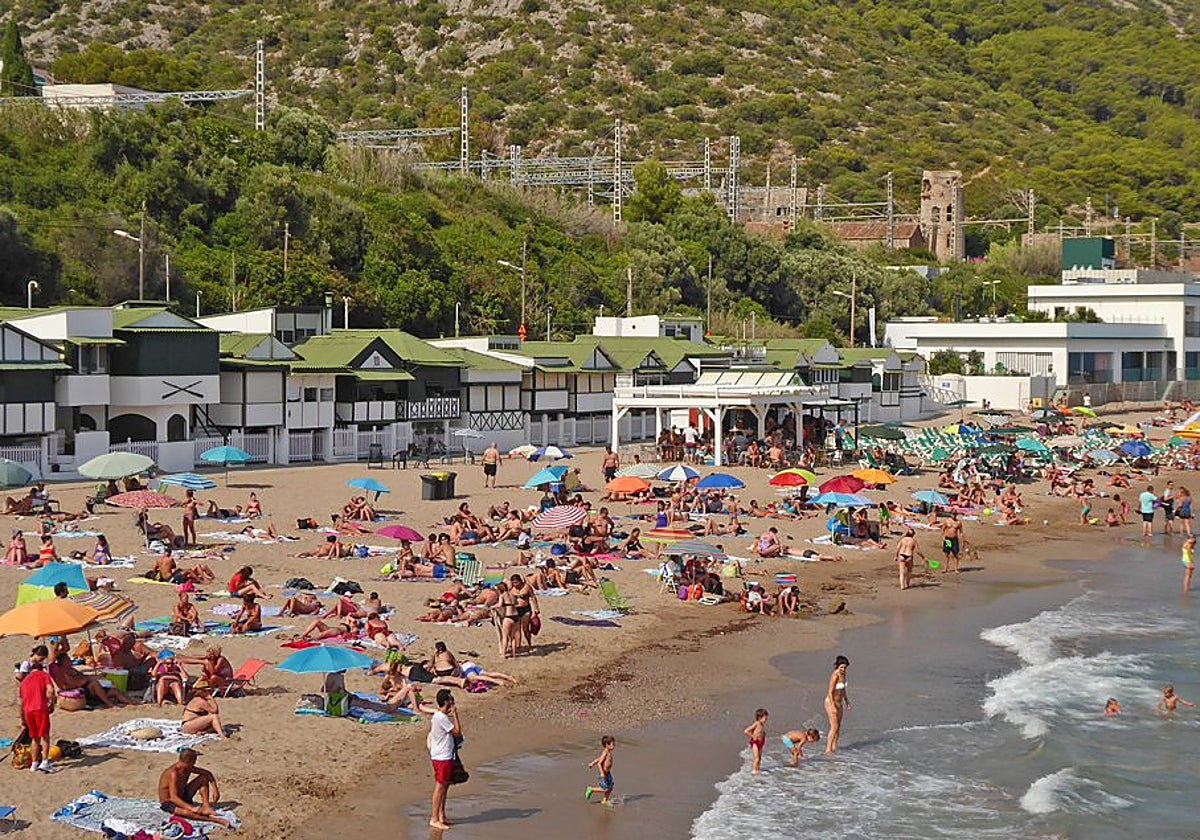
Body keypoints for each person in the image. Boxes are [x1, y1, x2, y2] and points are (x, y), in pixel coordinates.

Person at [158, 748, 230, 827]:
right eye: (194, 761)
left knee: (203, 778)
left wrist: (215, 789)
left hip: (183, 795)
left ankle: (206, 806)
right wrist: (192, 808)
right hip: (169, 802)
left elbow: (207, 773)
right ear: (188, 762)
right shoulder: (173, 773)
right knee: (186, 813)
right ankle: (215, 820)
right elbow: (173, 798)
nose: (194, 763)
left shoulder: (187, 767)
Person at [429, 688, 462, 831]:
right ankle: (434, 818)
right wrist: (455, 715)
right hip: (441, 757)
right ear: (446, 702)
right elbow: (457, 732)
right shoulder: (441, 718)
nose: (452, 702)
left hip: (445, 756)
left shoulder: (439, 716)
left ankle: (441, 815)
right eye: (450, 699)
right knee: (440, 786)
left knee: (445, 786)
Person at [19, 659, 56, 773]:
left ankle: (34, 764)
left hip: (28, 711)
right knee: (45, 736)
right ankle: (45, 762)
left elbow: (21, 702)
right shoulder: (44, 676)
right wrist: (51, 703)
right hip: (40, 708)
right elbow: (50, 690)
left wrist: (23, 718)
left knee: (34, 738)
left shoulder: (24, 681)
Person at [824, 655, 851, 754]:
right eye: (841, 667)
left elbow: (843, 689)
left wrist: (847, 701)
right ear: (837, 666)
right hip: (831, 702)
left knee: (838, 727)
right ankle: (828, 749)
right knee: (834, 726)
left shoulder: (844, 674)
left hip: (839, 703)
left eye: (845, 667)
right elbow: (830, 691)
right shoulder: (835, 675)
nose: (843, 669)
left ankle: (834, 747)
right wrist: (833, 706)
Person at [584, 735, 616, 804]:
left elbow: (599, 758)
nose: (614, 746)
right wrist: (602, 773)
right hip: (603, 773)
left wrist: (593, 763)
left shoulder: (609, 752)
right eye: (613, 744)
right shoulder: (605, 752)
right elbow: (599, 763)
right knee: (605, 788)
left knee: (610, 787)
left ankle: (604, 801)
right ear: (607, 745)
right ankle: (591, 789)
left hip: (607, 773)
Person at [743, 708, 768, 774]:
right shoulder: (756, 724)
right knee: (756, 758)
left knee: (759, 758)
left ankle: (758, 769)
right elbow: (746, 731)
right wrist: (753, 736)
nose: (766, 720)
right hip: (755, 743)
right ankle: (754, 771)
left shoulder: (762, 725)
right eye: (765, 718)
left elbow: (760, 732)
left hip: (761, 742)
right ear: (759, 718)